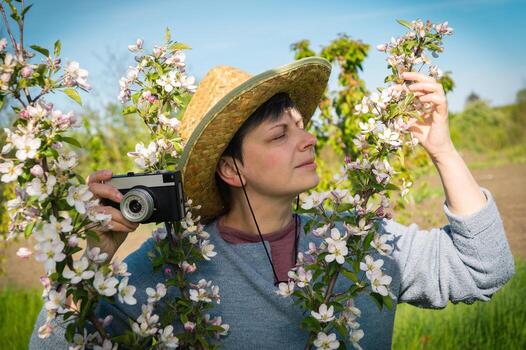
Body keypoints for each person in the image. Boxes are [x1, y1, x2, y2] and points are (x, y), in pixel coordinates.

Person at [30, 57, 515, 349]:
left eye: (302, 125)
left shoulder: (358, 238)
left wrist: (443, 151)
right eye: (281, 133)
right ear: (231, 169)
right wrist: (91, 258)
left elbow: (484, 268)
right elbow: (53, 344)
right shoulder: (174, 265)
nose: (307, 140)